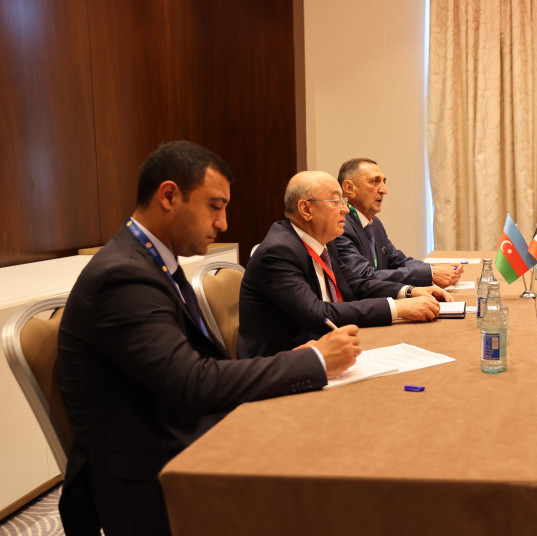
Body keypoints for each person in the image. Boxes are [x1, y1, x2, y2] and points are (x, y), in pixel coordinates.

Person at [57, 141, 361, 536]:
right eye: (215, 206)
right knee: (325, 472)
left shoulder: (151, 261)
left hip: (175, 432)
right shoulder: (124, 276)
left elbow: (194, 370)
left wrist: (300, 359)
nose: (223, 224)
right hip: (151, 473)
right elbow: (191, 384)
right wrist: (314, 361)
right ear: (169, 196)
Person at [238, 170, 452, 358]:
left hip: (329, 345)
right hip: (285, 361)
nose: (346, 209)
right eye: (335, 202)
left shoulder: (325, 243)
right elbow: (317, 313)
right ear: (306, 209)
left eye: (343, 201)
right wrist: (397, 308)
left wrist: (408, 291)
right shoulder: (278, 252)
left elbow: (357, 285)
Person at [334, 158, 464, 287]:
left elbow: (398, 261)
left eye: (384, 182)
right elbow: (364, 276)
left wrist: (435, 269)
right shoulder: (340, 227)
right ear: (349, 188)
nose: (384, 190)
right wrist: (430, 274)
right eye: (375, 181)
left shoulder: (375, 224)